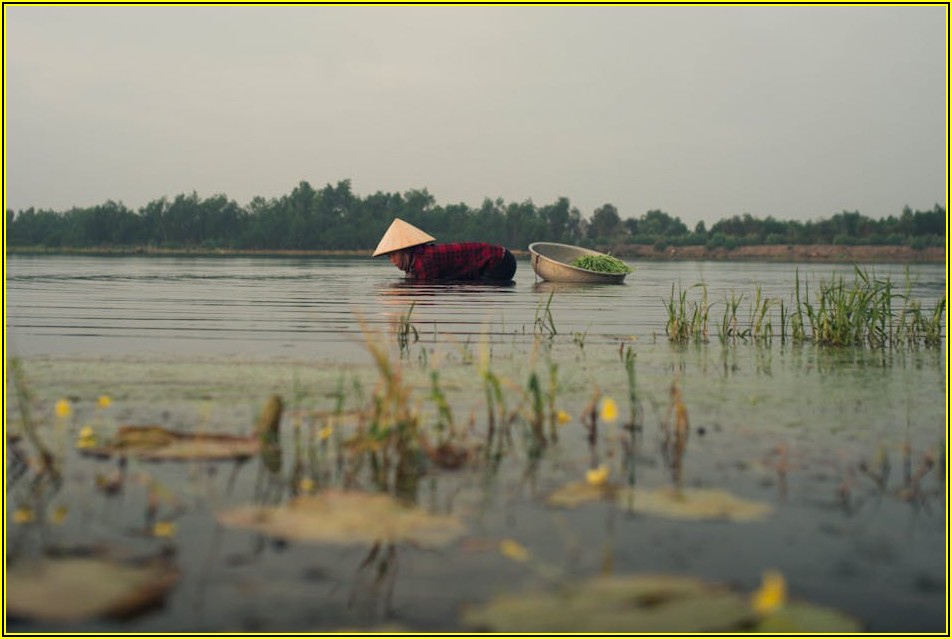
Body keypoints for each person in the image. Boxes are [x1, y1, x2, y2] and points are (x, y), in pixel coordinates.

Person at [372, 218, 517, 282]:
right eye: (389, 257)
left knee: (479, 285)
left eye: (393, 255)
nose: (392, 261)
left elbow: (423, 284)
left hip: (501, 262)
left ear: (406, 251)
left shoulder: (424, 262)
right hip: (502, 257)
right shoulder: (417, 259)